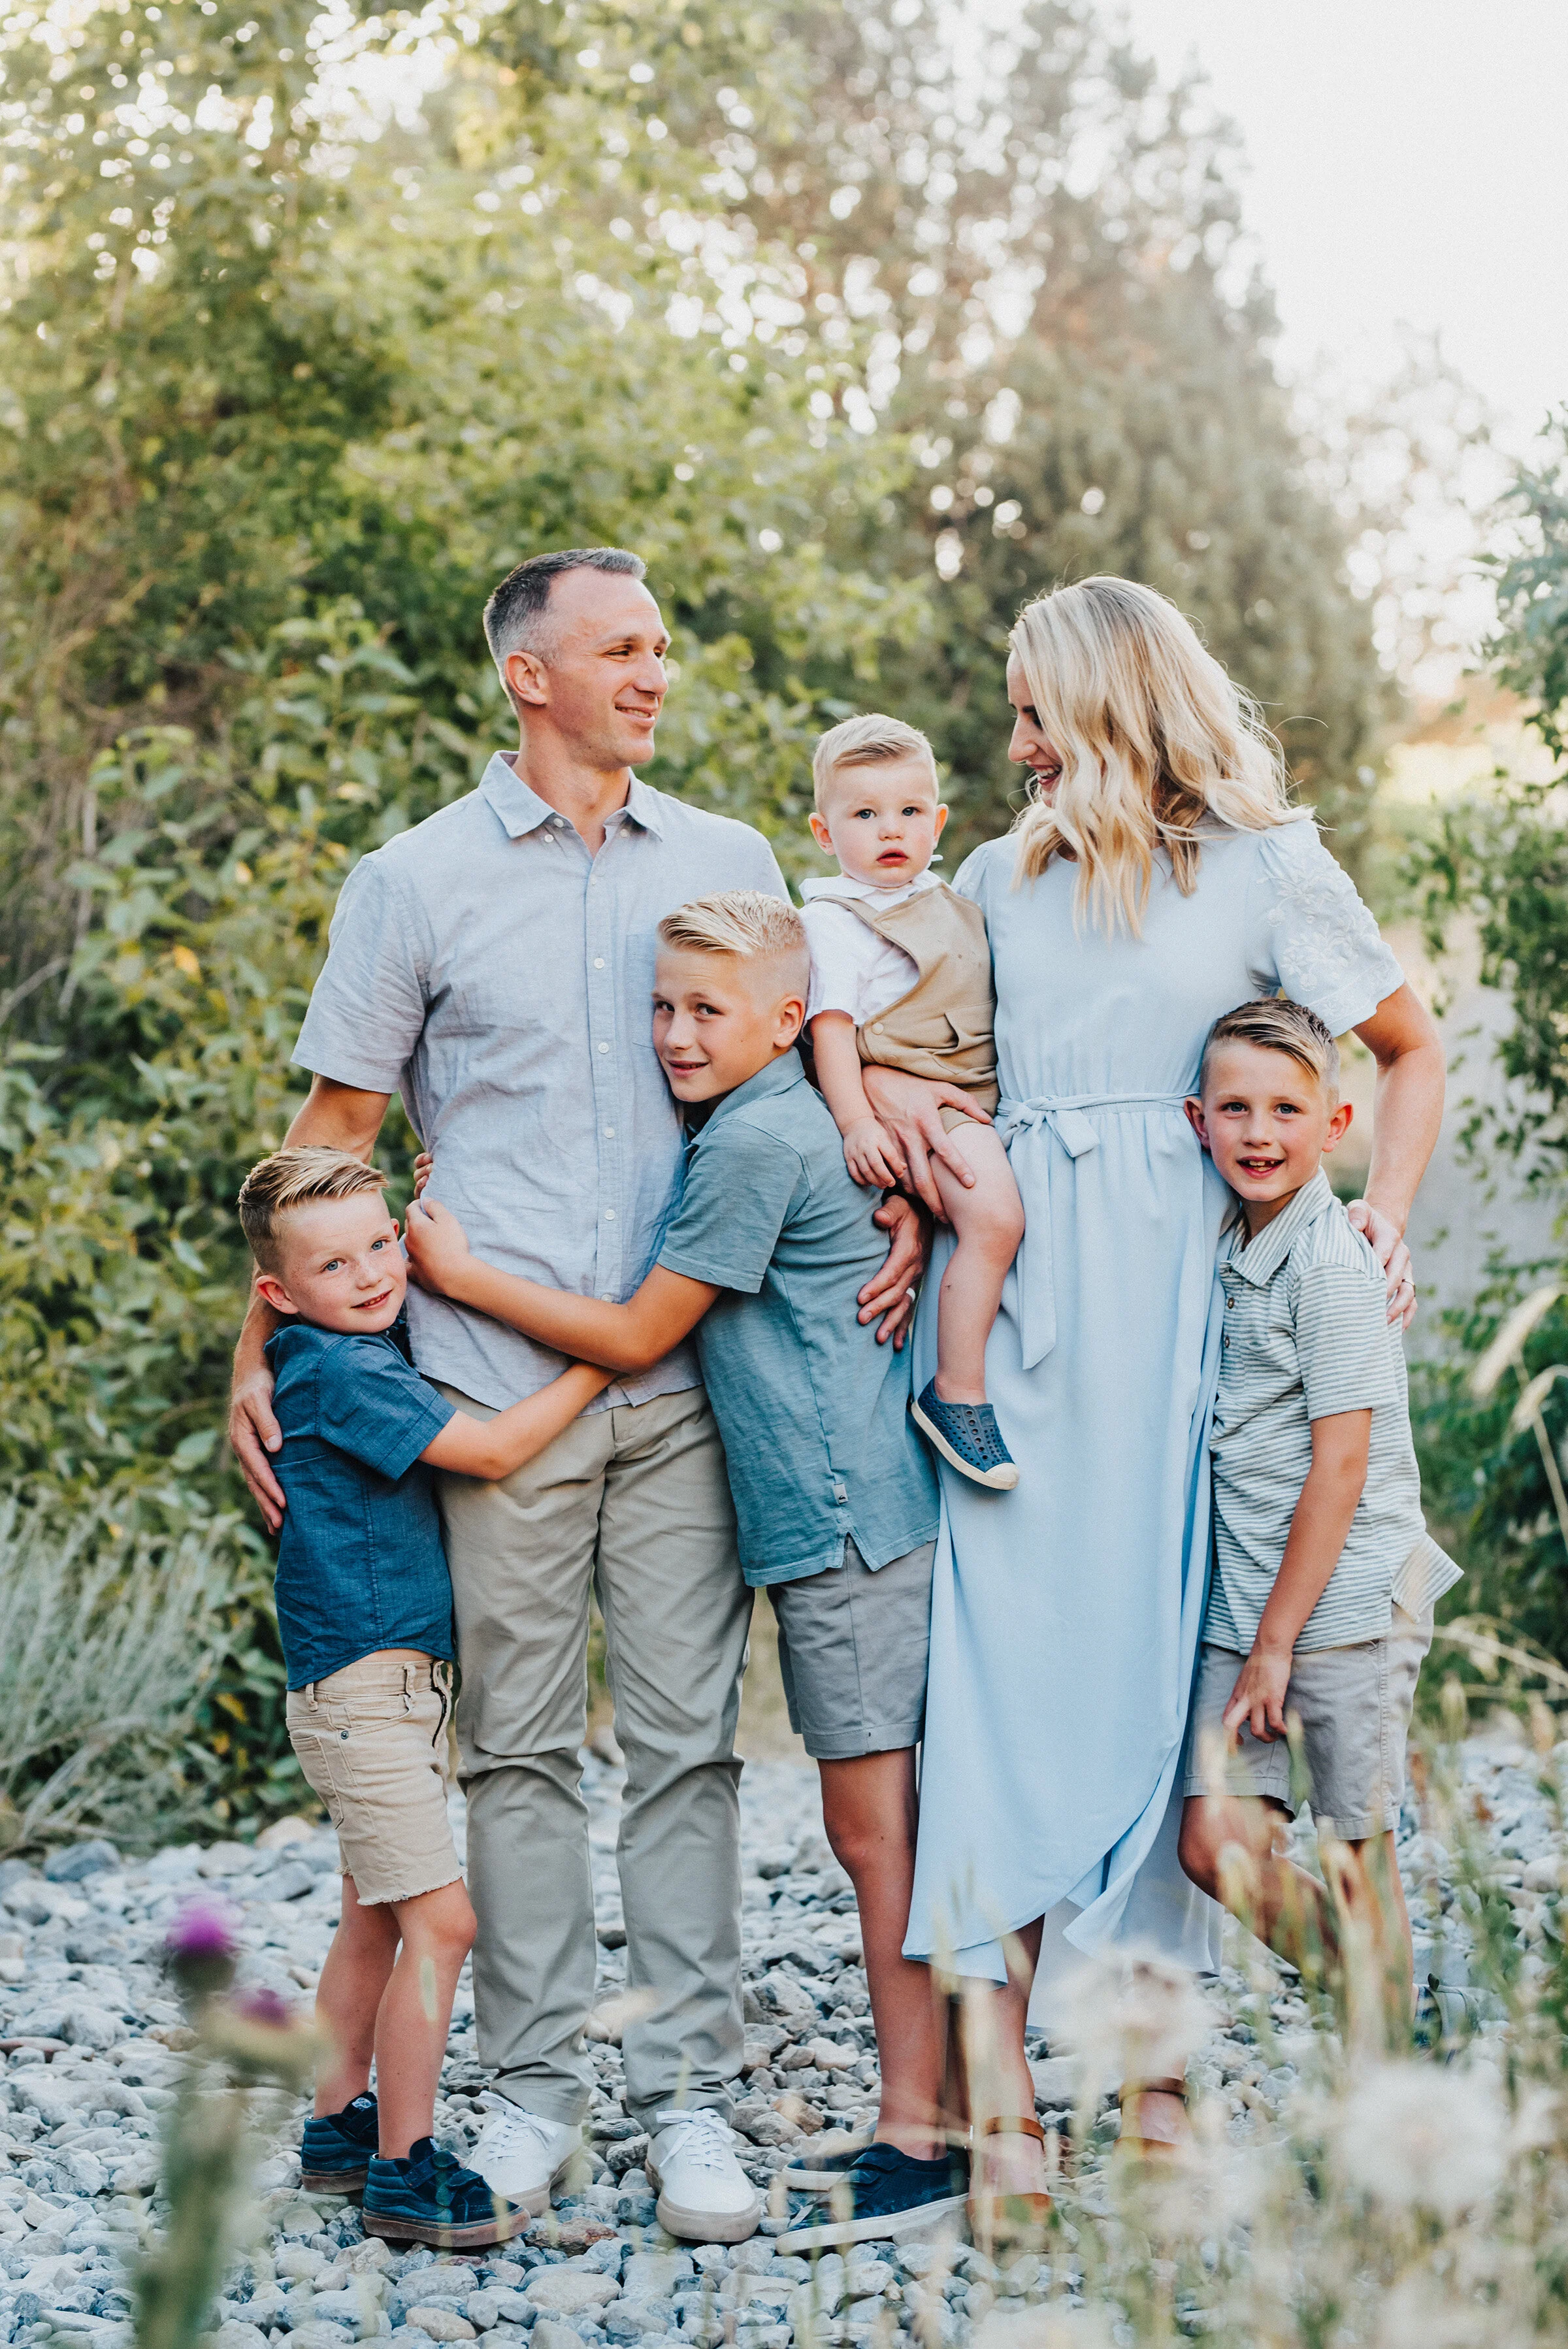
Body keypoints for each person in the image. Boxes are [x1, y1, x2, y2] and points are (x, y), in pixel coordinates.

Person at [226, 546, 928, 2241]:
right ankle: (535, 2091)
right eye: (618, 648)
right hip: (487, 1387)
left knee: (689, 1749)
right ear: (527, 675)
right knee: (522, 1753)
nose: (653, 672)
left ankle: (688, 2097)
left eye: (660, 647)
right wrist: (262, 1345)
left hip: (692, 1384)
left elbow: (822, 1065)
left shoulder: (733, 858)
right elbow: (332, 1136)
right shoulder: (414, 881)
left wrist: (903, 1178)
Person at [857, 575, 1445, 2219]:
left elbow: (1404, 1048)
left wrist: (1374, 1214)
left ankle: (1151, 2075)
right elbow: (920, 1071)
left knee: (1154, 1701)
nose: (1013, 738)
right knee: (992, 1695)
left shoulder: (1265, 868)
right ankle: (999, 2113)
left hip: (1196, 1338)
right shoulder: (985, 877)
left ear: (1110, 704)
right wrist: (911, 1200)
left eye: (1033, 706)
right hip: (1014, 1334)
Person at [404, 892, 968, 2251]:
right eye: (661, 1006)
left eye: (707, 1010)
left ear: (787, 1020)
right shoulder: (774, 1118)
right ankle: (948, 2107)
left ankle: (920, 2134)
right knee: (886, 1818)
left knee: (873, 1830)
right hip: (841, 1509)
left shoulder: (758, 1141)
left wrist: (459, 1274)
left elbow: (644, 1325)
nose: (673, 1033)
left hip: (843, 1516)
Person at [235, 1145, 613, 2248]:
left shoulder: (346, 1342)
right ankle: (406, 2170)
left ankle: (335, 2131)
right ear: (277, 1296)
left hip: (379, 1686)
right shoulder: (336, 1372)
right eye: (334, 1264)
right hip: (366, 1689)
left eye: (380, 1246)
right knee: (440, 1921)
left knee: (372, 1913)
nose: (369, 1276)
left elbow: (402, 1310)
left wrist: (438, 1193)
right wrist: (602, 1362)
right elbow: (491, 1449)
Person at [1175, 1000, 1460, 2039]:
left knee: (1353, 1841)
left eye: (1287, 1109)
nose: (1259, 1132)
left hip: (1343, 1609)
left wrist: (1277, 1646)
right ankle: (1386, 2001)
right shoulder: (1216, 1242)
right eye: (1237, 1107)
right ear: (1196, 1116)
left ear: (1335, 1123)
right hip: (1244, 1603)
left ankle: (1383, 2081)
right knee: (1216, 1842)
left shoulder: (1335, 1265)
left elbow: (1340, 1466)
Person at [801, 715, 1026, 1490]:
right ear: (824, 832)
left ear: (937, 823)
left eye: (907, 813)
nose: (887, 831)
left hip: (971, 1091)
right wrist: (858, 1120)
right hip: (920, 1097)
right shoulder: (835, 920)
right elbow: (830, 1029)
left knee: (978, 1224)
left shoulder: (950, 896)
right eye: (863, 815)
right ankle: (956, 1391)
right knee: (996, 1219)